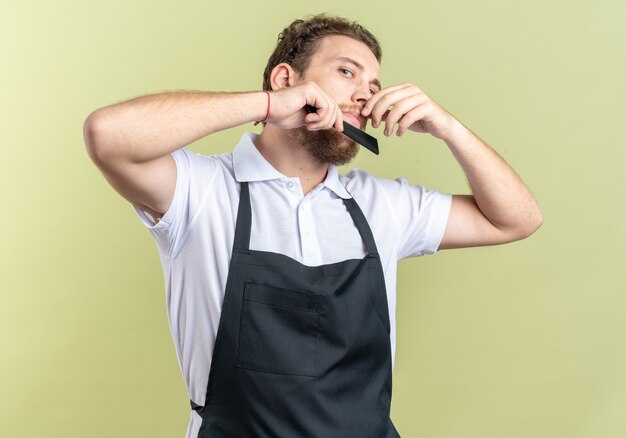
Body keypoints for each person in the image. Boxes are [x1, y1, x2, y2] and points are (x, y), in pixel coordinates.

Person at [83, 14, 542, 438]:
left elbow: (518, 219)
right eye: (347, 72)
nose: (366, 94)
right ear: (287, 79)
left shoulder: (385, 206)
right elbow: (108, 134)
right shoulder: (200, 192)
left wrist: (449, 129)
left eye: (373, 83)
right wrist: (267, 104)